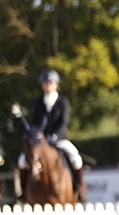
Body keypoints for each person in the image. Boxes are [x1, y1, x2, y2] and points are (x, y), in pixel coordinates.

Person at [18, 69, 86, 200]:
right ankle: (23, 191)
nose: (47, 85)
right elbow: (35, 124)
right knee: (22, 160)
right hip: (41, 141)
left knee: (75, 157)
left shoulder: (63, 102)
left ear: (56, 85)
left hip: (59, 139)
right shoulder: (38, 103)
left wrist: (55, 136)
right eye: (45, 83)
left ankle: (79, 187)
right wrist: (37, 137)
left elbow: (63, 122)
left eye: (50, 82)